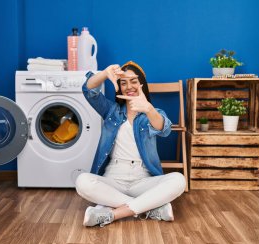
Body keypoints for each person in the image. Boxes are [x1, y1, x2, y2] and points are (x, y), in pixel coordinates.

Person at [75, 61, 186, 227]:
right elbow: (89, 90)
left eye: (133, 81)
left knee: (179, 180)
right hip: (113, 178)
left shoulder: (151, 112)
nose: (129, 86)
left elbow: (165, 130)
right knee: (82, 181)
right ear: (119, 86)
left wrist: (148, 109)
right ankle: (149, 209)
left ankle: (112, 214)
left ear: (142, 84)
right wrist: (105, 73)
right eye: (123, 82)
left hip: (142, 180)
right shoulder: (110, 110)